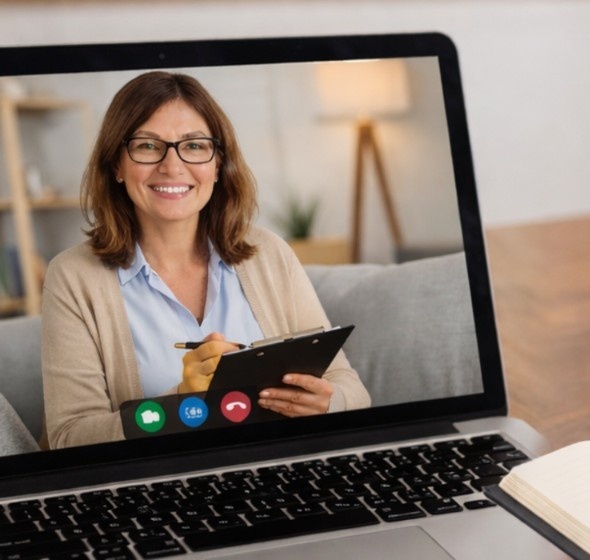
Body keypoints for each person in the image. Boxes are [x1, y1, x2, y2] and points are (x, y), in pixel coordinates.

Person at [42, 71, 370, 450]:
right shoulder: (73, 276)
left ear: (218, 164)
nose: (172, 166)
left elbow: (350, 388)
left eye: (194, 146)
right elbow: (69, 438)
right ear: (116, 164)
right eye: (148, 146)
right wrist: (182, 400)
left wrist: (329, 403)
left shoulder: (269, 253)